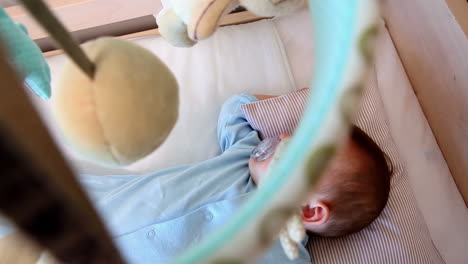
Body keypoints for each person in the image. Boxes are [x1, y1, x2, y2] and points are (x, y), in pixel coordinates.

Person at [0, 93, 391, 264]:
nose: (287, 136)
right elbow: (236, 108)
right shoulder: (241, 155)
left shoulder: (284, 255)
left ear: (309, 209)